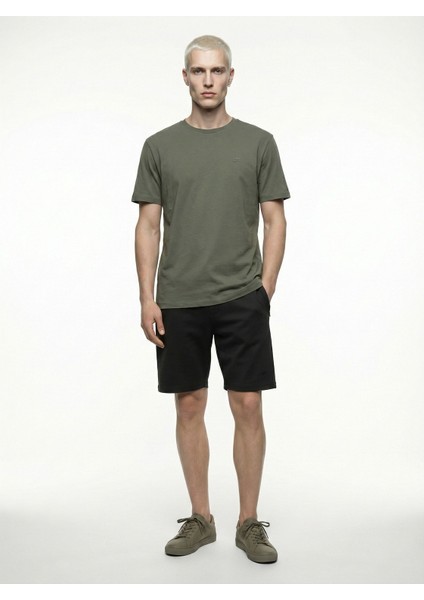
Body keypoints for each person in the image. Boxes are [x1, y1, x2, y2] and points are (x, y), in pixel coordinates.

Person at [132, 35, 290, 564]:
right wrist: (147, 297)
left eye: (216, 70)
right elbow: (148, 225)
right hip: (179, 297)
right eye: (198, 71)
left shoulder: (259, 142)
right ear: (185, 77)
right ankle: (201, 518)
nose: (207, 80)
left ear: (230, 76)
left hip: (242, 294)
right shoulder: (159, 146)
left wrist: (265, 288)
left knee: (248, 404)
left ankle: (249, 522)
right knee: (189, 404)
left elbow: (275, 219)